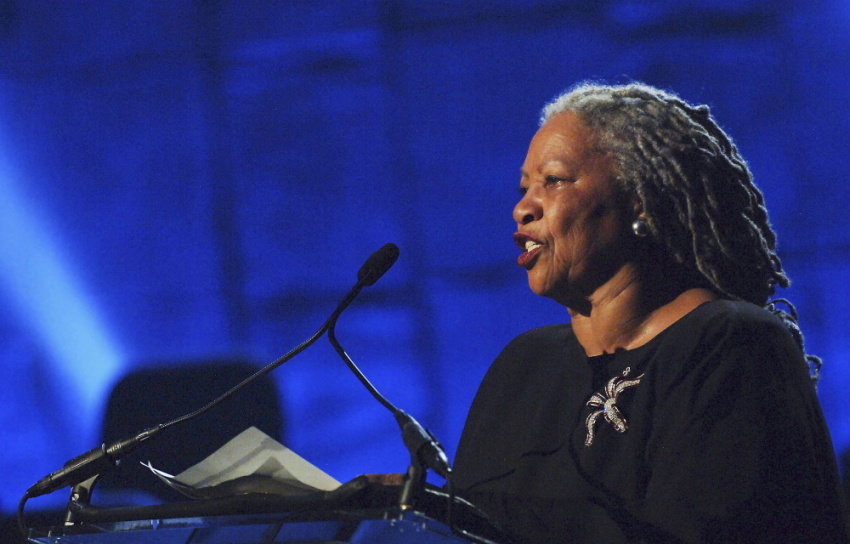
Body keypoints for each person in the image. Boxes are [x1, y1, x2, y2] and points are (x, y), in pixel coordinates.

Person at [451, 82, 850, 543]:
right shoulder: (522, 368)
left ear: (638, 196)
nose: (522, 208)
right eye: (524, 188)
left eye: (554, 180)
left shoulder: (731, 343)